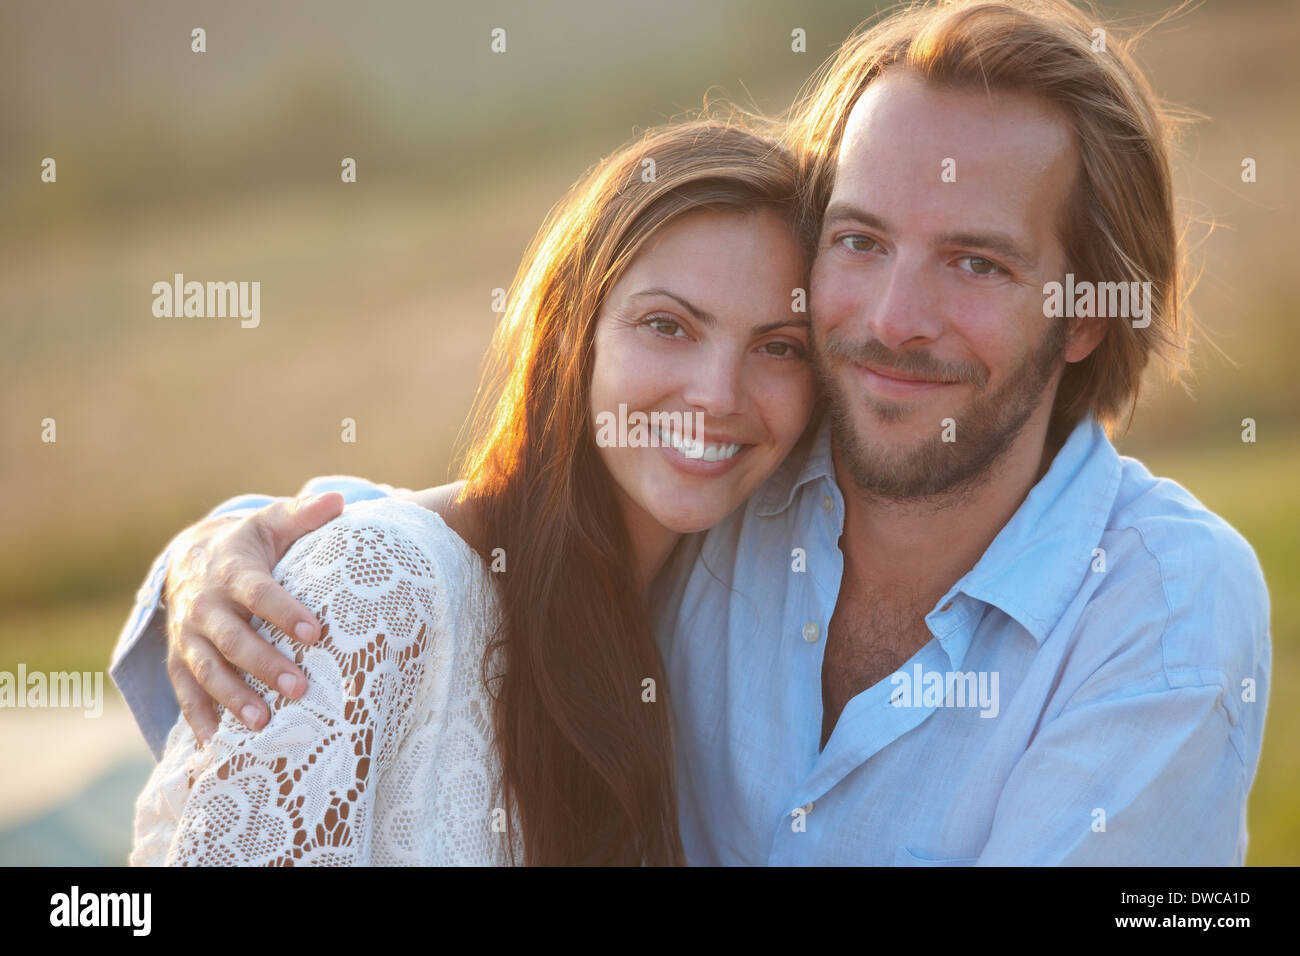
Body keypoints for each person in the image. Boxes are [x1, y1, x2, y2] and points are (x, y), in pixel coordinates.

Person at [114, 0, 1271, 866]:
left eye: (975, 260)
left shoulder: (1160, 602)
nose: (889, 319)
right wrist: (231, 548)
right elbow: (488, 534)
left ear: (1086, 313)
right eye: (860, 240)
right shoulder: (744, 476)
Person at [125, 119, 819, 865]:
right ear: (569, 334)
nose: (717, 396)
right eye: (667, 325)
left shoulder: (710, 607)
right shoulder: (372, 590)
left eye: (779, 347)